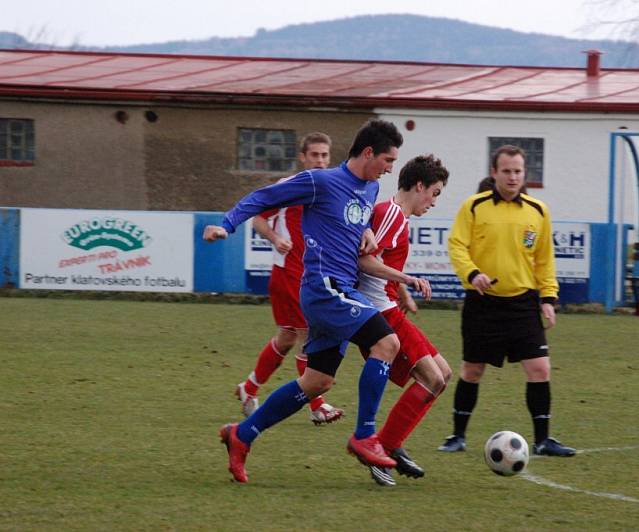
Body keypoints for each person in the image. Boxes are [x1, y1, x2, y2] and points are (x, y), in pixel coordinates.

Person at [204, 119, 415, 483]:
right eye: (388, 159)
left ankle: (243, 434)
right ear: (368, 153)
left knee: (316, 382)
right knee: (387, 342)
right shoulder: (322, 180)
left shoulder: (370, 188)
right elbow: (262, 198)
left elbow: (352, 220)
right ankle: (365, 435)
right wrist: (228, 224)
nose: (390, 168)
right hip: (323, 287)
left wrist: (364, 233)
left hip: (340, 288)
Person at [437, 144, 575, 457]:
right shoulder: (474, 206)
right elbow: (457, 246)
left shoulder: (538, 211)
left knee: (540, 369)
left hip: (523, 304)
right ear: (494, 173)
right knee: (472, 370)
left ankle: (543, 440)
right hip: (482, 303)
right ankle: (457, 436)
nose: (513, 177)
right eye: (507, 171)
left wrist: (548, 298)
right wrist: (472, 274)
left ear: (524, 174)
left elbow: (544, 260)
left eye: (518, 171)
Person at [234, 132, 344, 424]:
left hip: (309, 276)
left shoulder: (332, 188)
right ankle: (316, 405)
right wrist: (274, 237)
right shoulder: (289, 187)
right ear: (302, 157)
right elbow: (257, 217)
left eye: (324, 155)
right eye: (314, 155)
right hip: (290, 275)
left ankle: (248, 388)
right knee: (309, 337)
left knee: (286, 338)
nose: (320, 161)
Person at [356, 154, 452, 486]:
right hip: (379, 313)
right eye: (435, 192)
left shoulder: (398, 218)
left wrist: (401, 289)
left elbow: (379, 262)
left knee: (443, 374)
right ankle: (383, 448)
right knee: (432, 378)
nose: (434, 201)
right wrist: (407, 280)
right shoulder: (391, 214)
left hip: (390, 306)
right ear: (419, 185)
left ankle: (390, 444)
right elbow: (365, 261)